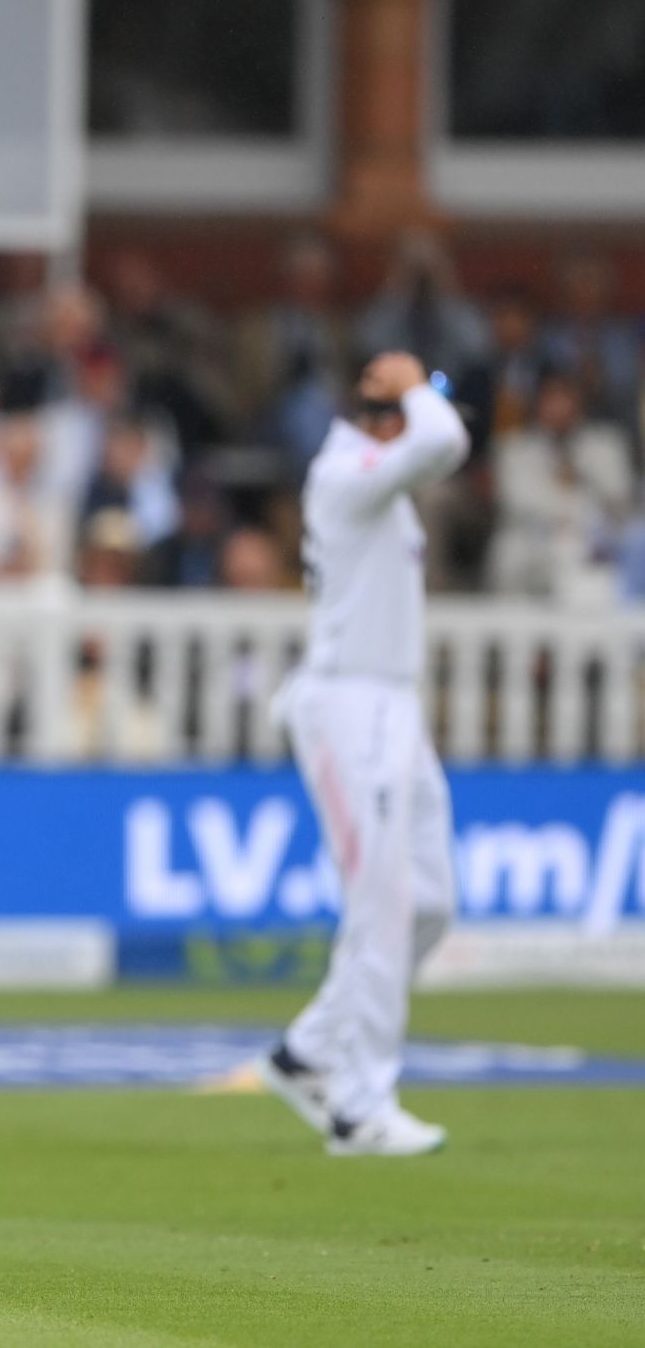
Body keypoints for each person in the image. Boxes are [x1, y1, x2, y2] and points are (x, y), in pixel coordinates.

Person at [259, 352, 470, 1157]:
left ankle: (308, 1051)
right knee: (381, 904)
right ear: (376, 416)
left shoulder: (378, 480)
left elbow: (440, 441)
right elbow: (442, 441)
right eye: (404, 408)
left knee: (428, 901)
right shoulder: (345, 473)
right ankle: (359, 1106)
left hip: (393, 704)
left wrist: (412, 396)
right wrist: (413, 385)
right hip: (346, 701)